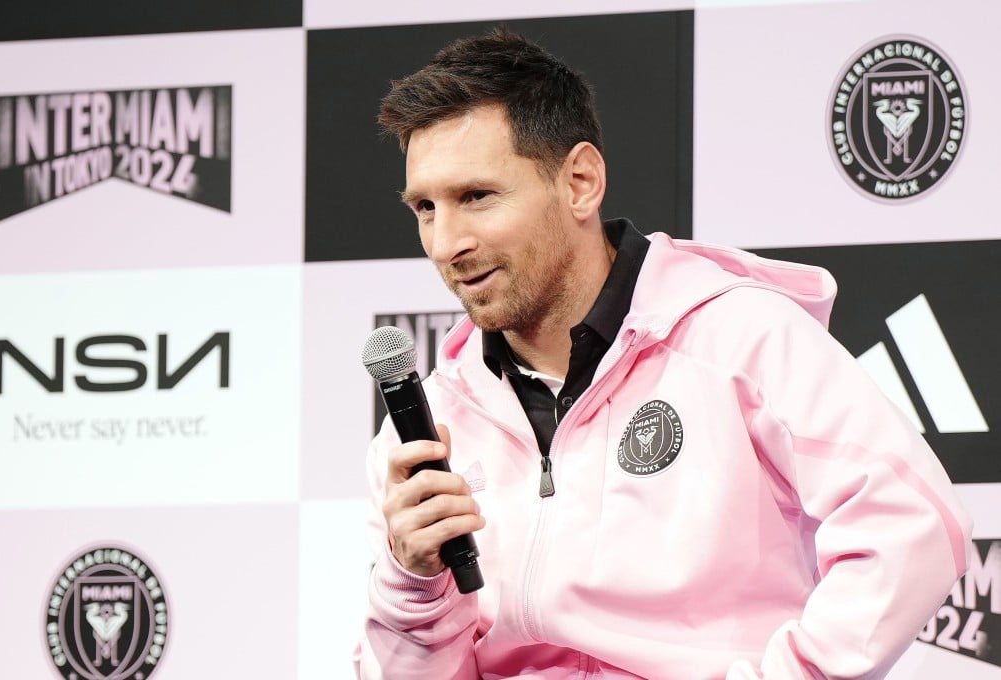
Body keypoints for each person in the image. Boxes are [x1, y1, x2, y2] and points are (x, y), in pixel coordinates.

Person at [354, 26, 972, 680]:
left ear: (581, 182)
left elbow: (912, 528)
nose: (445, 242)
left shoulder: (741, 339)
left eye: (476, 197)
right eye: (425, 207)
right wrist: (411, 584)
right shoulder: (426, 428)